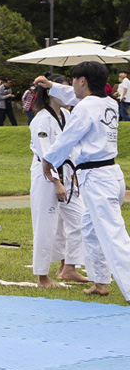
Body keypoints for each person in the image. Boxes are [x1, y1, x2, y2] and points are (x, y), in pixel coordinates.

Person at [36, 63, 130, 301]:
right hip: (109, 175)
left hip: (99, 179)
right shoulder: (108, 102)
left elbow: (69, 136)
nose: (72, 85)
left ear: (82, 80)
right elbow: (77, 96)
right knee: (89, 228)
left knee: (113, 235)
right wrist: (53, 86)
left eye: (74, 80)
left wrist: (49, 160)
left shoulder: (86, 108)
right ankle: (100, 282)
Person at [27, 78, 89, 288]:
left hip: (68, 174)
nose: (69, 95)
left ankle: (69, 267)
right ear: (50, 94)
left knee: (81, 220)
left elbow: (71, 146)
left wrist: (73, 175)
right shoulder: (41, 120)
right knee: (46, 225)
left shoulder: (67, 115)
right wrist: (55, 182)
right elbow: (46, 155)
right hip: (46, 177)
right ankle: (42, 276)